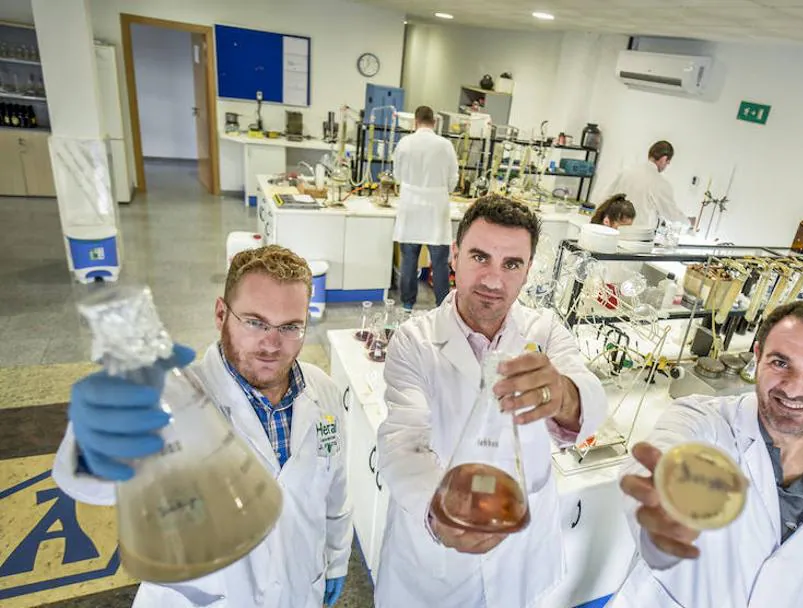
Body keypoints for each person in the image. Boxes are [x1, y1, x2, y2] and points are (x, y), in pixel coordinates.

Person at [52, 245, 352, 608]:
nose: (272, 344)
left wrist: (335, 559)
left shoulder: (324, 392)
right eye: (255, 322)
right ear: (220, 313)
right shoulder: (172, 404)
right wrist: (94, 447)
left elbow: (335, 491)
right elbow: (100, 487)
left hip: (301, 589)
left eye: (290, 327)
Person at [374, 195, 608, 607]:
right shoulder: (415, 341)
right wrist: (440, 511)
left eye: (511, 264)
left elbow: (589, 400)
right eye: (480, 257)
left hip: (519, 556)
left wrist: (561, 394)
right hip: (436, 562)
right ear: (455, 255)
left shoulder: (545, 331)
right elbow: (402, 441)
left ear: (528, 270)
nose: (493, 280)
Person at [609, 299, 803, 607]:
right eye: (780, 363)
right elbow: (662, 453)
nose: (793, 388)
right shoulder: (701, 418)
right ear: (758, 356)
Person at [392, 104, 459, 310]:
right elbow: (453, 180)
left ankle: (407, 304)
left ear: (415, 121)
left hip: (411, 206)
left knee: (409, 259)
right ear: (434, 122)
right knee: (439, 262)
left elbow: (397, 176)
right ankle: (442, 306)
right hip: (436, 208)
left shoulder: (405, 143)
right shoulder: (445, 145)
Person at [605, 140, 689, 228]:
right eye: (667, 163)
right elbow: (671, 213)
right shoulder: (660, 183)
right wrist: (688, 223)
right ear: (664, 159)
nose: (666, 166)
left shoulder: (627, 171)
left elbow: (606, 196)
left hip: (613, 228)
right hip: (636, 233)